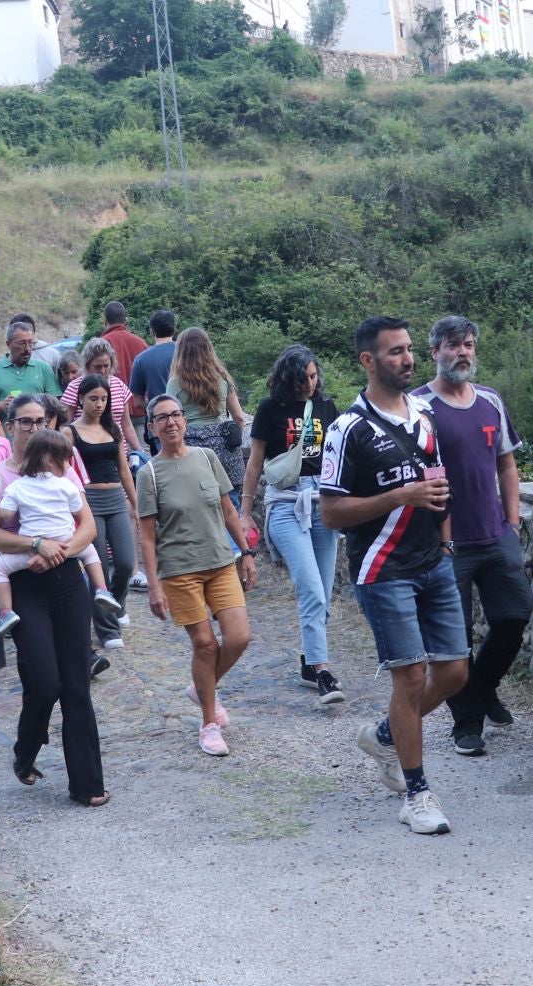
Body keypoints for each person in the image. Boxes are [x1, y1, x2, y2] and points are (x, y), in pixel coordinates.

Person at [319, 316, 467, 836]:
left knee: (455, 672)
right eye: (395, 352)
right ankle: (417, 793)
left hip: (433, 562)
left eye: (408, 350)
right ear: (368, 360)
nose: (407, 360)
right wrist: (399, 496)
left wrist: (446, 543)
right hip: (382, 568)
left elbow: (438, 482)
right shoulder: (347, 429)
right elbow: (330, 513)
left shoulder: (425, 416)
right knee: (411, 677)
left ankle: (385, 736)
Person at [0, 394, 111, 805]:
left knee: (76, 683)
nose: (34, 427)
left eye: (41, 420)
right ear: (8, 425)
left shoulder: (61, 468)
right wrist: (36, 544)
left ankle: (87, 785)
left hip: (67, 580)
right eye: (26, 421)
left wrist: (59, 551)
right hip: (24, 586)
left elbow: (87, 527)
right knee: (44, 679)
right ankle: (26, 748)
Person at [413, 316, 533, 756]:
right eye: (452, 345)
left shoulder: (490, 401)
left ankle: (481, 688)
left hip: (494, 533)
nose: (462, 352)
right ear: (434, 352)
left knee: (515, 615)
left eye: (468, 344)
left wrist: (513, 523)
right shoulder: (418, 406)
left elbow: (506, 464)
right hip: (445, 544)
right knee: (455, 637)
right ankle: (466, 724)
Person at [136, 392, 257, 757]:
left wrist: (246, 553)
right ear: (152, 427)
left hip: (220, 562)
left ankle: (202, 685)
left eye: (175, 415)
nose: (170, 422)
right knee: (205, 644)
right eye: (162, 417)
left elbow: (229, 511)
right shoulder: (149, 474)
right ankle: (208, 724)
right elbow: (146, 536)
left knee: (239, 637)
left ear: (185, 421)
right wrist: (153, 586)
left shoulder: (206, 457)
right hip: (179, 571)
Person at [240, 345, 344, 706]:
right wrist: (245, 511)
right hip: (286, 502)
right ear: (288, 378)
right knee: (311, 588)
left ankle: (308, 663)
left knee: (323, 593)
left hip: (322, 503)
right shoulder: (271, 409)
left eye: (313, 376)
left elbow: (341, 455)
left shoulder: (327, 407)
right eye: (303, 379)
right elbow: (255, 463)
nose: (310, 384)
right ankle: (323, 671)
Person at [0, 429, 122, 636]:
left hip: (31, 549)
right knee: (90, 552)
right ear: (51, 461)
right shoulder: (66, 485)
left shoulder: (16, 487)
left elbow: (6, 515)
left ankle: (6, 612)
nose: (68, 465)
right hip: (66, 541)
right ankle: (102, 589)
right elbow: (78, 509)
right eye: (66, 460)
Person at [66, 372, 139, 651]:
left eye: (104, 399)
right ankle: (107, 629)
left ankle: (116, 605)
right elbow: (65, 472)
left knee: (125, 562)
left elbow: (124, 470)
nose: (99, 404)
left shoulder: (113, 429)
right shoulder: (69, 432)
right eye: (93, 398)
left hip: (116, 498)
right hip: (89, 501)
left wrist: (136, 504)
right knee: (98, 567)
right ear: (81, 399)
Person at [168, 327, 248, 500]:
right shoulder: (222, 378)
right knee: (231, 504)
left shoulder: (175, 383)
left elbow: (169, 416)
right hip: (224, 443)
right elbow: (239, 418)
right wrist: (233, 441)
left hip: (191, 446)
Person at [59, 338, 132, 434]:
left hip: (117, 442)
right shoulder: (74, 387)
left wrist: (137, 444)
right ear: (87, 365)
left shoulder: (119, 385)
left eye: (106, 366)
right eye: (97, 367)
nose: (102, 371)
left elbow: (126, 425)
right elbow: (64, 424)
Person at [127, 309, 178, 442]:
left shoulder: (141, 359)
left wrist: (156, 410)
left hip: (158, 426)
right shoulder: (186, 352)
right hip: (185, 423)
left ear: (152, 331)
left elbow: (137, 401)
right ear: (174, 329)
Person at [0, 321, 60, 402]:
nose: (27, 349)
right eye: (22, 343)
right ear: (8, 344)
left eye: (30, 343)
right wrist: (0, 406)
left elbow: (55, 404)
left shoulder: (43, 368)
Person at [93, 300, 147, 390]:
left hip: (111, 397)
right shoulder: (141, 343)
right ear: (125, 319)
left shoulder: (100, 346)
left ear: (104, 319)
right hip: (137, 398)